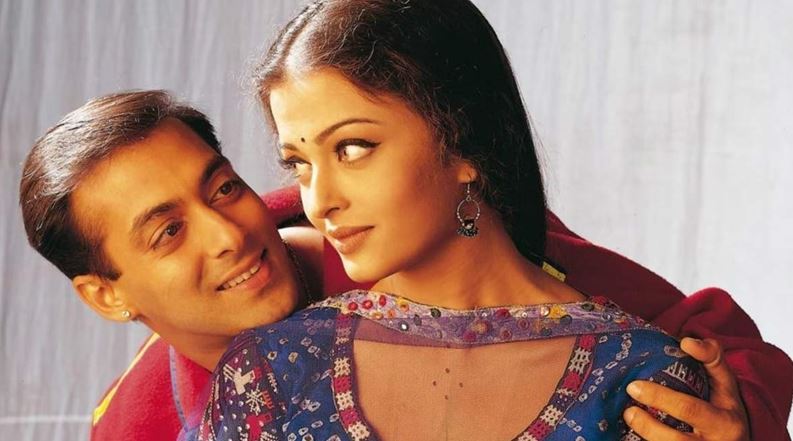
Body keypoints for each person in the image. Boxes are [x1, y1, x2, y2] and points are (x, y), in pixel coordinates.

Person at [195, 1, 790, 439]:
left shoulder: (643, 383)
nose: (319, 200)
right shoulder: (270, 374)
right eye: (299, 163)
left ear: (464, 143)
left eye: (352, 148)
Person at [18, 90, 320, 441]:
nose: (230, 237)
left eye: (223, 189)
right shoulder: (136, 431)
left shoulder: (374, 240)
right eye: (170, 231)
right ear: (105, 296)